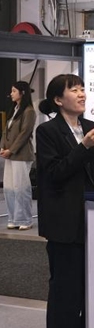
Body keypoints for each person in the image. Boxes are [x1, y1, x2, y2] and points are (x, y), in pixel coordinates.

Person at [36, 74, 94, 328]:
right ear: (58, 99)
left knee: (85, 290)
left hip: (90, 219)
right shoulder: (48, 131)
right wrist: (83, 147)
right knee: (64, 292)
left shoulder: (90, 127)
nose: (81, 94)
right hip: (63, 222)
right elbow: (54, 174)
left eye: (82, 89)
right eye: (74, 90)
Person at [1, 81, 36, 230]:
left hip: (21, 155)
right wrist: (3, 146)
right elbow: (6, 131)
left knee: (21, 188)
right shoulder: (14, 110)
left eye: (14, 91)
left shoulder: (29, 111)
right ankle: (14, 218)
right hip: (10, 155)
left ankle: (25, 219)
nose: (11, 94)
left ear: (22, 92)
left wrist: (11, 150)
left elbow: (24, 134)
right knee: (9, 187)